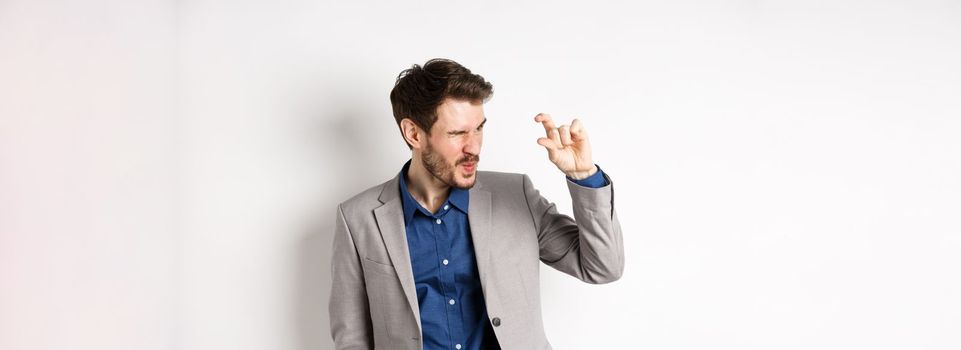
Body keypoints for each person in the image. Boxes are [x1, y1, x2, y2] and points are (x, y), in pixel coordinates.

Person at [328, 58, 624, 350]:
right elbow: (352, 338)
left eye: (479, 128)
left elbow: (603, 267)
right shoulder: (359, 218)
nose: (474, 147)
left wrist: (584, 176)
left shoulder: (516, 195)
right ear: (414, 133)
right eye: (457, 133)